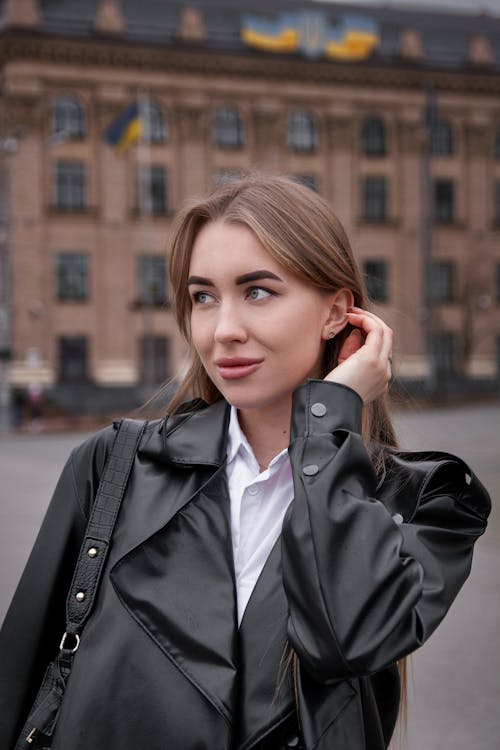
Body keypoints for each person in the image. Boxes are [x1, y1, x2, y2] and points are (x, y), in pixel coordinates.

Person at [0, 174, 490, 750]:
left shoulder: (428, 503)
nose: (223, 330)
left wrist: (331, 421)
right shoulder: (113, 465)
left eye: (258, 291)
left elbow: (345, 639)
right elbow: (18, 681)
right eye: (203, 296)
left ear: (337, 312)